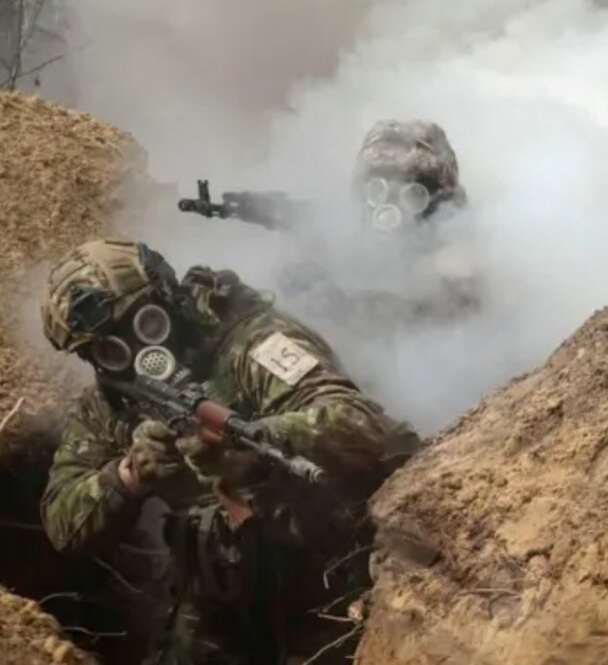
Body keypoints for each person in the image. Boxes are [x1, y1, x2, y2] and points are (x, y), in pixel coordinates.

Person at [38, 238, 420, 664]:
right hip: (220, 591)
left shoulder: (252, 343)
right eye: (112, 349)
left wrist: (259, 444)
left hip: (326, 572)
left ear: (170, 300)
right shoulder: (109, 405)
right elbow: (62, 523)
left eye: (147, 323)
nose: (143, 353)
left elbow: (360, 422)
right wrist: (130, 475)